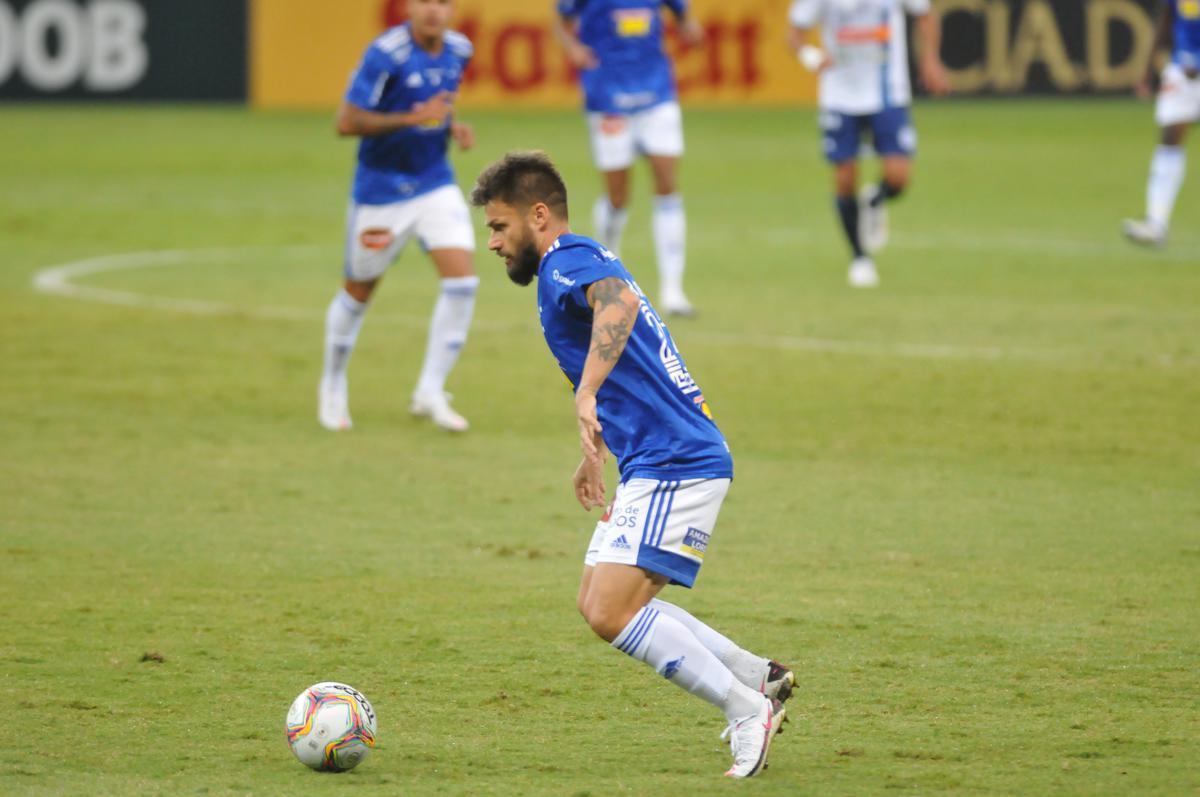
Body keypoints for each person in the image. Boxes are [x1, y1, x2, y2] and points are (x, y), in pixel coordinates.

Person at [471, 151, 795, 779]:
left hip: (679, 460)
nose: (492, 242)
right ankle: (759, 676)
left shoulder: (568, 262)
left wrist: (585, 392)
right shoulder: (572, 266)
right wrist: (593, 450)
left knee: (611, 611)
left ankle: (744, 708)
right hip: (655, 457)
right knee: (598, 597)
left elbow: (616, 305)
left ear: (539, 216)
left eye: (499, 226)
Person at [319, 0, 478, 432]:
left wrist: (449, 126)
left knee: (463, 283)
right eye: (424, 1)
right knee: (358, 293)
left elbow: (439, 105)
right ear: (408, 7)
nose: (433, 10)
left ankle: (430, 390)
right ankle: (333, 384)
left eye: (443, 2)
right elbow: (346, 122)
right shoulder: (385, 53)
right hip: (382, 190)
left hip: (434, 182)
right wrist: (413, 118)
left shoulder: (460, 50)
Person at [554, 0, 703, 316]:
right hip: (609, 97)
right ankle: (608, 264)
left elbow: (683, 16)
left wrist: (690, 28)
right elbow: (562, 22)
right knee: (618, 196)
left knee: (667, 184)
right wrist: (574, 49)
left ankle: (673, 290)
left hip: (657, 94)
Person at [787, 0, 949, 288]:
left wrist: (931, 59)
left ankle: (874, 200)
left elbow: (925, 14)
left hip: (889, 93)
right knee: (845, 179)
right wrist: (811, 57)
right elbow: (794, 35)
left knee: (898, 178)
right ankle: (860, 257)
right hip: (839, 94)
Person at [1123, 0, 1200, 247]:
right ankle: (1156, 223)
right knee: (1169, 140)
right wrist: (1147, 68)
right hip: (1182, 72)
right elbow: (1166, 20)